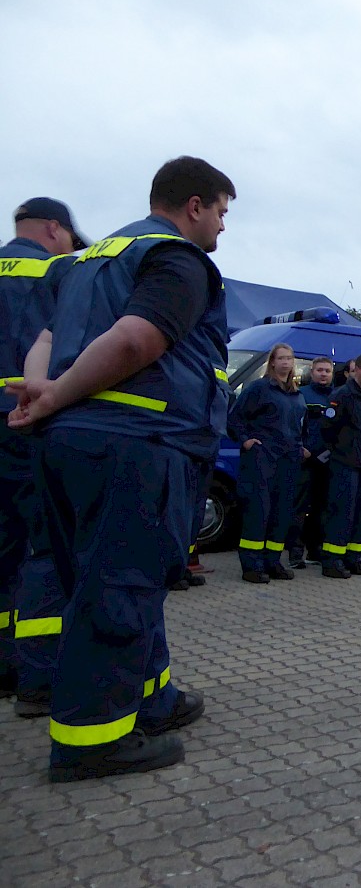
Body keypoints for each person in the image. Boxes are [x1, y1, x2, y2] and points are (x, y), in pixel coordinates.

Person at [8, 156, 234, 780]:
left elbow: (47, 341)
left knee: (119, 577)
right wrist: (53, 396)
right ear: (194, 206)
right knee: (120, 586)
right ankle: (92, 740)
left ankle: (152, 698)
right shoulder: (176, 259)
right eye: (221, 211)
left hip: (75, 445)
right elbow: (138, 340)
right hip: (138, 441)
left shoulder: (89, 260)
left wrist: (40, 392)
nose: (222, 226)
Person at [1, 198, 87, 717]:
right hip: (26, 417)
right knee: (42, 547)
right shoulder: (59, 271)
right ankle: (37, 675)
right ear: (55, 228)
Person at [227, 343, 306, 583]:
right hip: (262, 459)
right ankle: (252, 565)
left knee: (281, 514)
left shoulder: (296, 394)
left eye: (289, 358)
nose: (286, 362)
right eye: (281, 358)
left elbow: (300, 426)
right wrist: (245, 441)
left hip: (289, 461)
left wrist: (301, 447)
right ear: (272, 362)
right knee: (258, 512)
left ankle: (273, 562)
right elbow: (235, 418)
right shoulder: (259, 388)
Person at [320, 352, 361, 579]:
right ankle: (332, 561)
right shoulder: (342, 396)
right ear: (355, 371)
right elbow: (327, 429)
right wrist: (340, 452)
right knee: (341, 513)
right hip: (344, 464)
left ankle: (353, 559)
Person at [286, 356, 335, 568]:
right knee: (298, 508)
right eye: (320, 370)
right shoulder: (301, 395)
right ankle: (295, 554)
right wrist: (300, 448)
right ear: (311, 372)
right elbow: (291, 425)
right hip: (304, 460)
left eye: (327, 371)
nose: (323, 374)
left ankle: (316, 550)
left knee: (322, 509)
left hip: (328, 462)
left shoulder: (337, 397)